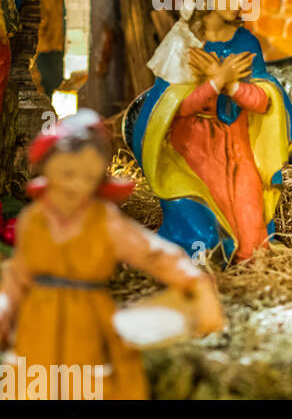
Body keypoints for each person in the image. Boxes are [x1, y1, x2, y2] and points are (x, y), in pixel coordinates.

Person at [0, 110, 224, 399]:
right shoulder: (33, 221)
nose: (76, 185)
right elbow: (19, 275)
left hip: (88, 322)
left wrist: (194, 283)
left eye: (88, 177)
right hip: (37, 323)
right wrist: (5, 311)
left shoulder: (104, 220)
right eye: (67, 173)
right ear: (48, 169)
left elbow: (152, 253)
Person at [130, 0, 292, 264]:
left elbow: (265, 101)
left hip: (237, 154)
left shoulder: (246, 43)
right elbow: (174, 108)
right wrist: (214, 83)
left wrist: (233, 85)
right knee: (208, 243)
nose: (242, 1)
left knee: (253, 251)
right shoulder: (183, 43)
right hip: (193, 157)